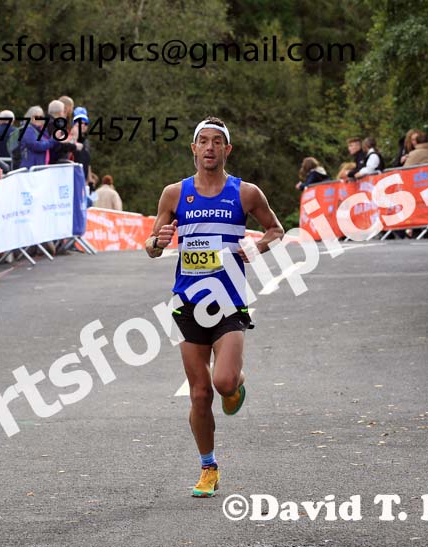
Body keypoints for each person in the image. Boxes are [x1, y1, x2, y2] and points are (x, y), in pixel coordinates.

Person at [145, 117, 283, 498]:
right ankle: (208, 467)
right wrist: (158, 240)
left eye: (216, 142)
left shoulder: (245, 193)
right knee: (200, 394)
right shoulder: (174, 194)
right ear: (193, 149)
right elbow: (152, 247)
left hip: (229, 302)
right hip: (188, 304)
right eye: (202, 141)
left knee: (222, 383)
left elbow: (276, 229)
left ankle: (237, 383)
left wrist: (257, 247)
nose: (209, 147)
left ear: (227, 150)